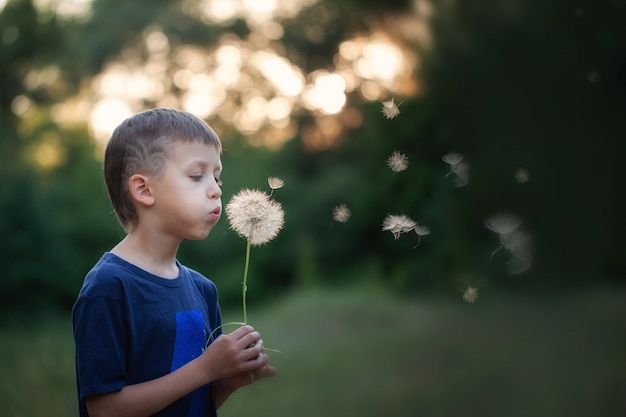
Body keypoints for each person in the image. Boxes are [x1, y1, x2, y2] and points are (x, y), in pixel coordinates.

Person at [72, 108, 276, 417]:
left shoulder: (203, 289)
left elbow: (191, 402)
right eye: (197, 176)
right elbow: (104, 410)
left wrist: (226, 381)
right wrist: (205, 369)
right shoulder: (108, 288)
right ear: (144, 189)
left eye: (218, 177)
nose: (216, 190)